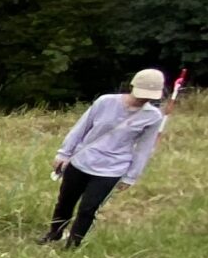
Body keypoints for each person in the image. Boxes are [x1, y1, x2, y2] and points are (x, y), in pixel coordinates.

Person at [47, 69, 167, 248]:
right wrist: (64, 153)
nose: (144, 99)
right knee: (65, 201)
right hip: (81, 160)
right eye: (141, 93)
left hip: (112, 168)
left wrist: (130, 176)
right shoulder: (105, 101)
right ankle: (54, 234)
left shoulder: (153, 116)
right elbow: (81, 127)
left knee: (88, 208)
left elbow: (144, 148)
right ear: (133, 86)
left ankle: (73, 243)